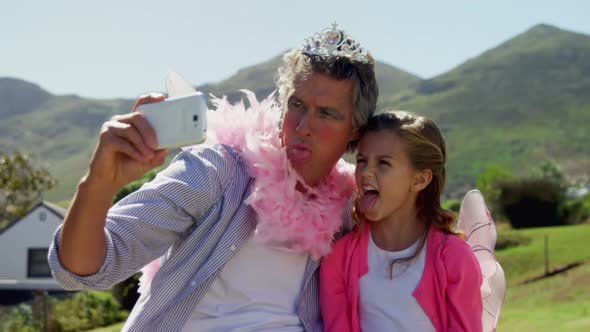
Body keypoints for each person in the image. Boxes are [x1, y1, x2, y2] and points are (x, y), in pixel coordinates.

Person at [48, 23, 378, 331]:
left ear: (355, 131)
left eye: (327, 114)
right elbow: (81, 269)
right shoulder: (219, 169)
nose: (304, 125)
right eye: (297, 105)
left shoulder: (350, 206)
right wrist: (98, 183)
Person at [320, 110, 483, 332]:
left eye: (383, 163)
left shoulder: (454, 257)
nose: (366, 172)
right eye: (361, 160)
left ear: (420, 179)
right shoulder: (339, 258)